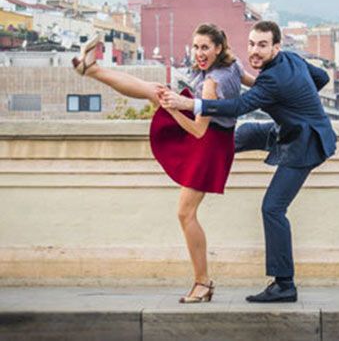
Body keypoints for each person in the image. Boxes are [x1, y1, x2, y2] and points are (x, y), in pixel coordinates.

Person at [72, 23, 254, 303]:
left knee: (185, 213)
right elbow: (255, 83)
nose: (199, 53)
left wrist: (171, 107)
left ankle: (203, 282)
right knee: (154, 89)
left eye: (205, 47)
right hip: (214, 133)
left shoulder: (211, 82)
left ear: (218, 48)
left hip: (210, 142)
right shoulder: (233, 64)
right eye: (195, 47)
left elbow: (198, 130)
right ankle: (91, 69)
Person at [159, 20, 337, 303]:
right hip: (289, 129)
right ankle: (212, 156)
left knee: (272, 208)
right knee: (242, 134)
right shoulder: (292, 59)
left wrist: (190, 105)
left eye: (262, 45)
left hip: (305, 142)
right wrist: (295, 102)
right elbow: (321, 79)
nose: (255, 50)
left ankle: (284, 284)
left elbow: (239, 106)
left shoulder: (273, 79)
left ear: (276, 47)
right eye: (252, 44)